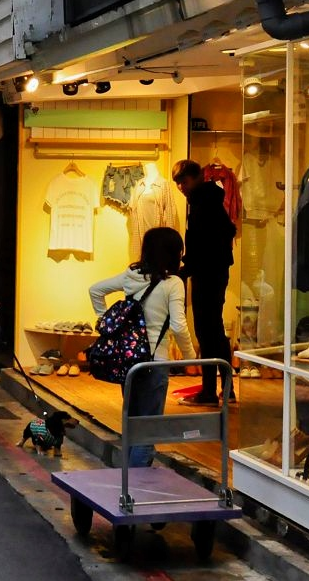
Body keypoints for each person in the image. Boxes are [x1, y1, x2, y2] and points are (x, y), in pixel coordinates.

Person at [89, 227, 195, 466]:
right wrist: (190, 358)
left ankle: (125, 486)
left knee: (132, 425)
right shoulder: (173, 283)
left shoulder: (132, 274)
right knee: (148, 430)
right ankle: (136, 489)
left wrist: (105, 321)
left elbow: (95, 290)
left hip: (129, 360)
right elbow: (178, 326)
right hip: (155, 362)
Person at [172, 160, 236, 406]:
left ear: (197, 178)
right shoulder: (208, 200)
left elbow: (205, 241)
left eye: (184, 182)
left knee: (208, 332)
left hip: (208, 273)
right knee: (214, 332)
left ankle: (210, 391)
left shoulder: (203, 203)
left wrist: (187, 267)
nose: (181, 188)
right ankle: (224, 389)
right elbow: (226, 232)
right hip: (213, 271)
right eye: (178, 184)